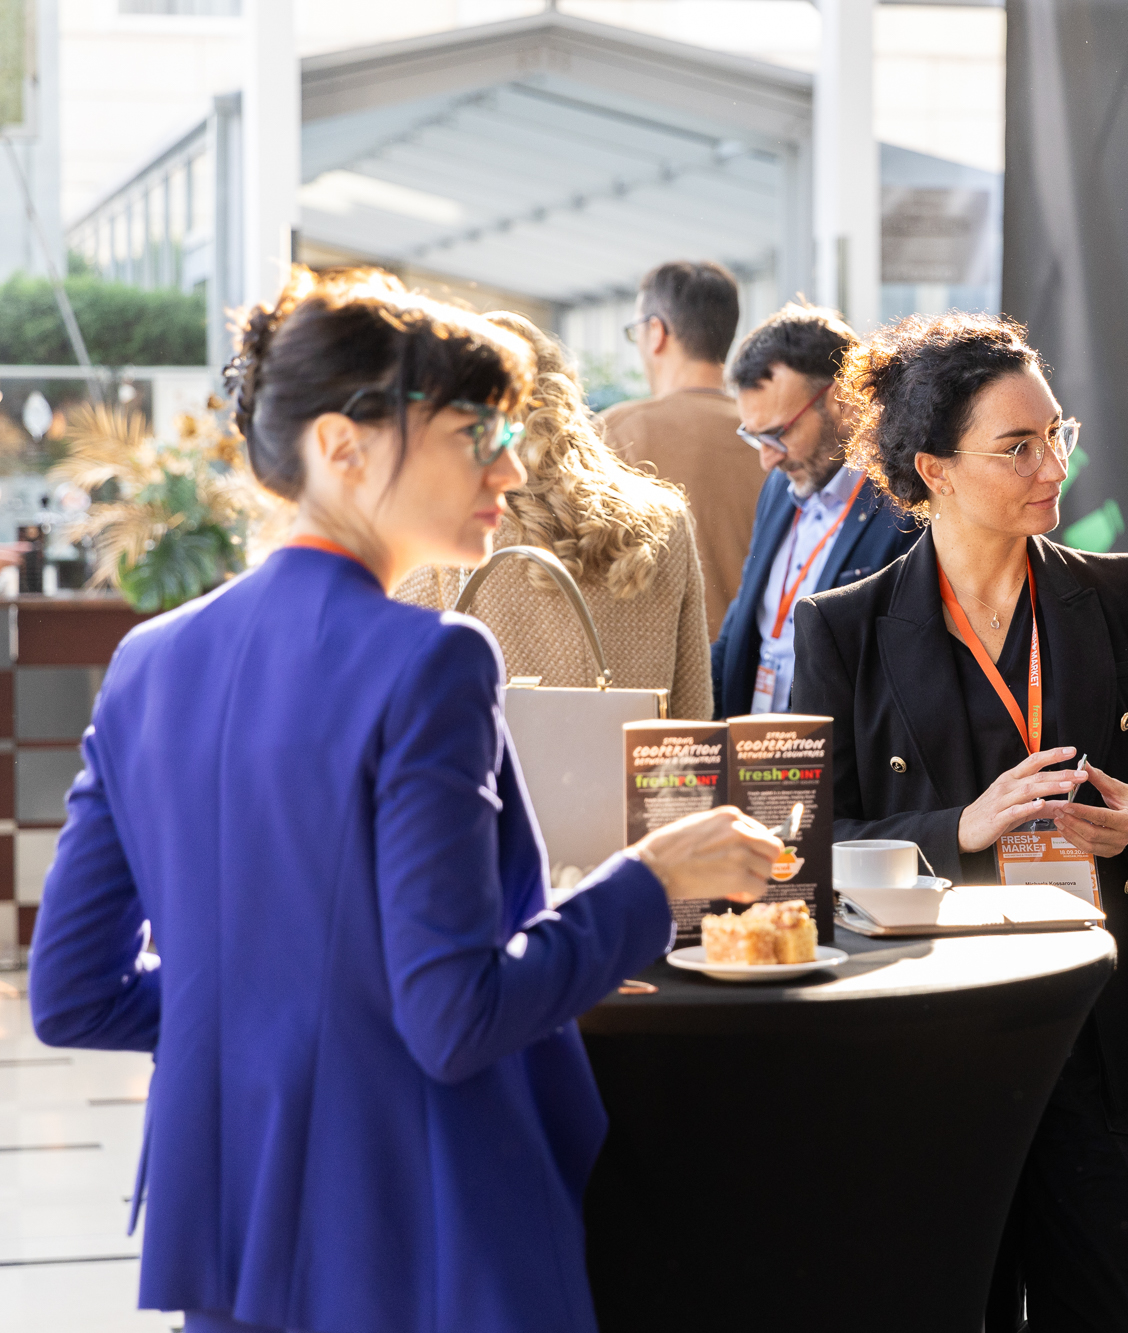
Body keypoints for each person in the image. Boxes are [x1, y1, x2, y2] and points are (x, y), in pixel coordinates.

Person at [26, 268, 782, 1333]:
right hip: (422, 1225)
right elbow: (456, 1013)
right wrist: (648, 883)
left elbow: (74, 993)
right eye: (476, 434)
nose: (509, 466)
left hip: (234, 1223)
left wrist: (275, 1009)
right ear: (343, 446)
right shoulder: (430, 660)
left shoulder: (148, 660)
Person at [792, 312, 1128, 1333]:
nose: (1051, 466)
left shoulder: (1123, 596)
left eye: (1056, 434)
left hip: (1100, 1030)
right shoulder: (843, 628)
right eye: (1017, 446)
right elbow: (811, 853)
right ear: (933, 469)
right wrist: (957, 829)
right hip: (932, 1041)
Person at [396, 311, 711, 717]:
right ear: (564, 389)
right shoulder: (664, 520)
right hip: (634, 758)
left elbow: (399, 696)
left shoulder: (449, 532)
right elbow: (692, 711)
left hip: (493, 759)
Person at [711, 301, 918, 717]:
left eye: (778, 433)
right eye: (755, 437)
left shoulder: (905, 504)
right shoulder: (781, 484)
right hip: (752, 741)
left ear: (844, 399)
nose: (767, 458)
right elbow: (745, 623)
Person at [601, 260, 765, 641]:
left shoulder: (615, 433)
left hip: (656, 664)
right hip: (756, 664)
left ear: (656, 331)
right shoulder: (769, 437)